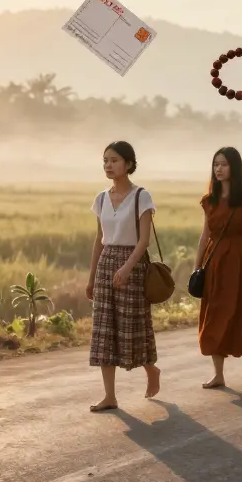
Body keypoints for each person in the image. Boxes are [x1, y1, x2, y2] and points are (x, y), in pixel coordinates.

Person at [85, 141, 160, 412]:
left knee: (133, 326)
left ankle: (151, 369)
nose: (108, 165)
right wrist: (92, 277)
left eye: (114, 160)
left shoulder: (142, 197)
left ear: (128, 164)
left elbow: (143, 241)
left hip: (133, 265)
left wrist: (127, 268)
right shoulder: (101, 198)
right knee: (105, 329)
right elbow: (99, 240)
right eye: (105, 160)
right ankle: (109, 395)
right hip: (106, 264)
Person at [195, 147, 242, 388]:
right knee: (214, 314)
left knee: (240, 310)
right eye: (216, 165)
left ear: (234, 167)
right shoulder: (209, 200)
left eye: (223, 164)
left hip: (240, 260)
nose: (219, 169)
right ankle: (218, 374)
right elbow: (204, 236)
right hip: (214, 261)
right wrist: (197, 267)